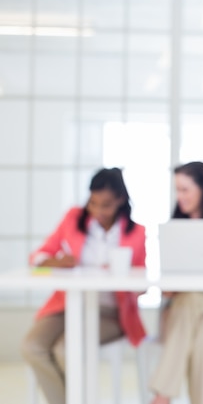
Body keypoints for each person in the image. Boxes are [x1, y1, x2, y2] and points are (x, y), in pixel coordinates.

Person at [21, 167, 147, 404]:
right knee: (32, 346)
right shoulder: (73, 219)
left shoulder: (136, 232)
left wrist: (121, 276)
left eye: (106, 204)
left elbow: (142, 282)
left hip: (110, 313)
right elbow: (36, 257)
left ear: (121, 200)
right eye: (93, 203)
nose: (98, 211)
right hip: (67, 305)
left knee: (64, 350)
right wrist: (57, 262)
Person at [149, 161, 203, 404]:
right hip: (180, 316)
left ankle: (162, 395)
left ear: (202, 190)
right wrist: (168, 288)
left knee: (195, 302)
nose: (180, 197)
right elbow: (166, 292)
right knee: (202, 325)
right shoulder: (173, 230)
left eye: (185, 190)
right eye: (177, 190)